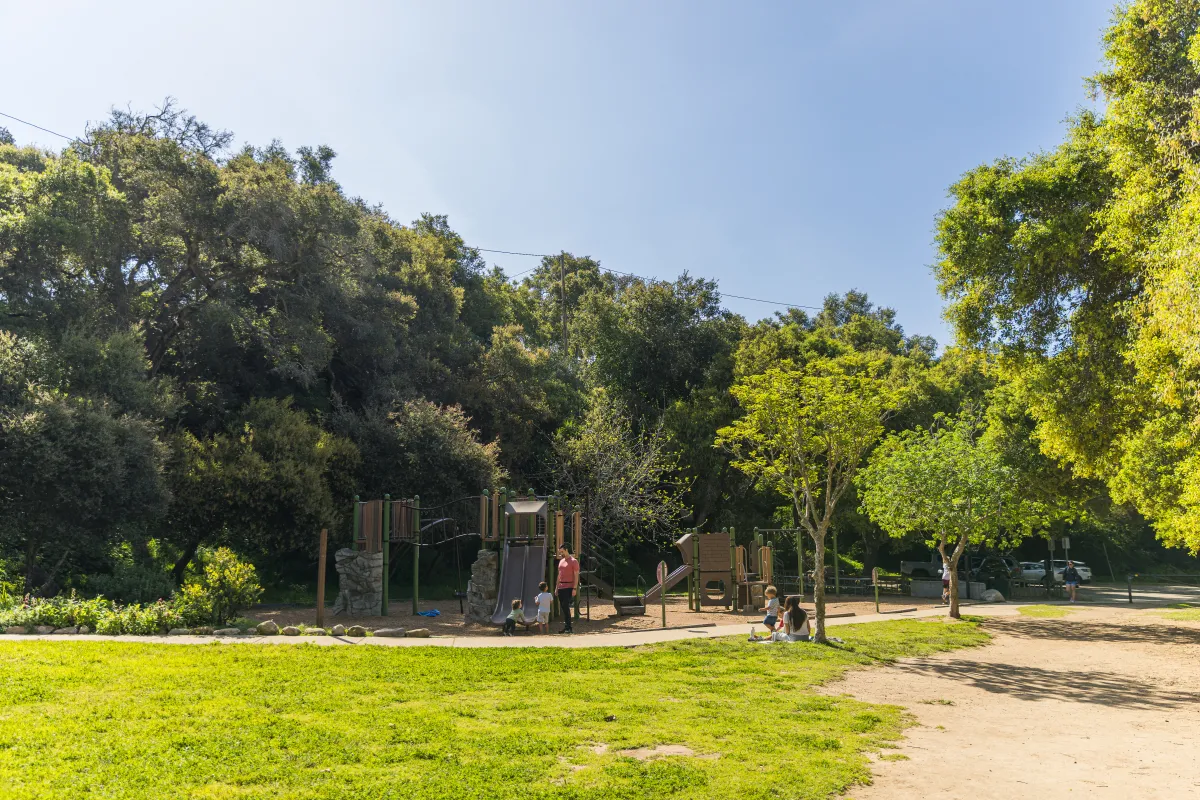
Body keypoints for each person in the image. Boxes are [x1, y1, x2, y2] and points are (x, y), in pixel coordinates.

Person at [556, 544, 579, 633]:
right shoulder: (561, 561)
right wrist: (556, 587)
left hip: (569, 587)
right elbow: (559, 575)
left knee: (566, 606)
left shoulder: (574, 561)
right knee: (563, 607)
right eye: (560, 552)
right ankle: (567, 627)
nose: (561, 553)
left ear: (566, 550)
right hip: (561, 586)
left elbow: (576, 575)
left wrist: (574, 588)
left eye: (562, 551)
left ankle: (568, 627)